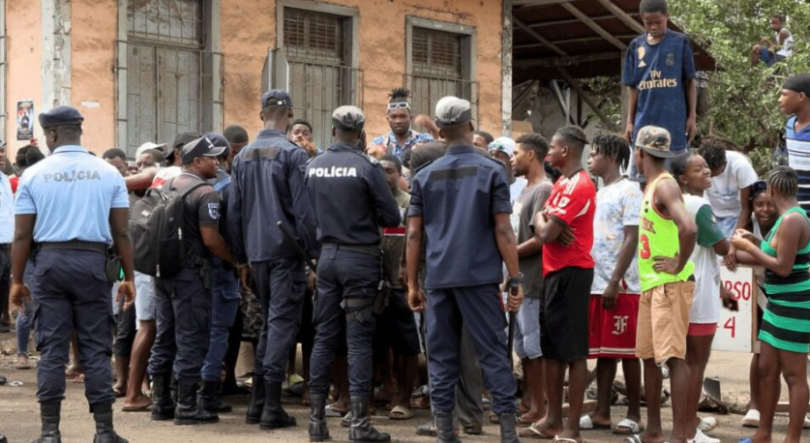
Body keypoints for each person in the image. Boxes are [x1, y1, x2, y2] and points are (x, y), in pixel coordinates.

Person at [10, 105, 135, 443]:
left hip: (49, 264)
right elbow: (122, 232)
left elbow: (22, 235)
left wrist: (18, 280)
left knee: (52, 350)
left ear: (51, 135)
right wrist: (129, 276)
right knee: (96, 349)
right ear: (78, 131)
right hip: (94, 264)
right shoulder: (108, 173)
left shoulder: (34, 175)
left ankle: (50, 433)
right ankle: (104, 432)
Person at [406, 97, 522, 443]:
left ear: (440, 132)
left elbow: (414, 233)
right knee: (492, 353)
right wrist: (515, 277)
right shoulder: (492, 171)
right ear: (471, 128)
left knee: (440, 357)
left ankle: (445, 431)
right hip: (480, 278)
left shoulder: (424, 176)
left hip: (439, 279)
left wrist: (413, 283)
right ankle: (507, 433)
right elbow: (503, 229)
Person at [306, 105, 400, 443]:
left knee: (324, 338)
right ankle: (360, 426)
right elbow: (391, 215)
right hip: (359, 258)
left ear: (332, 131)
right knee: (359, 342)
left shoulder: (313, 166)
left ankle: (316, 423)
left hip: (326, 258)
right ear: (360, 134)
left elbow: (305, 219)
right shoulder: (366, 166)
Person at [228, 90, 319, 430]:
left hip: (255, 252)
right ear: (290, 114)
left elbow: (234, 212)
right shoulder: (293, 155)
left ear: (261, 114)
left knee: (270, 322)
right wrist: (313, 253)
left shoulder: (243, 156)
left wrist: (241, 259)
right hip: (286, 252)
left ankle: (257, 404)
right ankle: (271, 408)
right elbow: (303, 210)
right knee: (282, 324)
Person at [147, 136, 233, 426]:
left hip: (164, 273)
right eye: (213, 158)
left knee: (165, 336)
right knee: (191, 339)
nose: (218, 164)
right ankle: (187, 407)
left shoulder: (167, 184)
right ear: (197, 161)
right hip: (191, 276)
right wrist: (235, 259)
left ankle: (161, 402)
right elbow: (211, 239)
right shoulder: (206, 192)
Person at [731, 167, 810, 443]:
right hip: (777, 304)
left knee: (794, 375)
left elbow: (783, 267)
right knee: (767, 369)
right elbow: (773, 252)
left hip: (793, 305)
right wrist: (753, 241)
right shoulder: (785, 219)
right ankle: (763, 433)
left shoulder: (792, 220)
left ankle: (792, 439)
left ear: (774, 191)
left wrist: (750, 248)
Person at [632, 125, 697, 443]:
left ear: (639, 152)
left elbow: (689, 228)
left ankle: (679, 435)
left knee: (673, 357)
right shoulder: (653, 184)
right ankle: (653, 429)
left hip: (669, 285)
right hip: (651, 284)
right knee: (648, 355)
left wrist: (678, 263)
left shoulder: (665, 186)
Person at [530, 126, 595, 443]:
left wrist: (545, 219)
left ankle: (572, 428)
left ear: (566, 151)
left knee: (573, 351)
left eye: (553, 148)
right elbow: (539, 221)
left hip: (572, 272)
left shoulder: (578, 185)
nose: (549, 153)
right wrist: (545, 216)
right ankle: (552, 420)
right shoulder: (561, 183)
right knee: (552, 349)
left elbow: (544, 233)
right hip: (553, 271)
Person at [580, 134, 644, 436]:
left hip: (623, 285)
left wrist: (615, 281)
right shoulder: (598, 191)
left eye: (595, 153)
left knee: (629, 352)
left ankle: (633, 413)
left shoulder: (630, 190)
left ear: (612, 157)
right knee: (605, 352)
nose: (590, 158)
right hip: (596, 282)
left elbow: (632, 237)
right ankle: (602, 411)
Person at [670, 152, 731, 443]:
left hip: (679, 289)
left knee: (683, 363)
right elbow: (721, 246)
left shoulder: (676, 203)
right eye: (698, 169)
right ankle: (688, 431)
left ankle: (686, 425)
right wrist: (737, 240)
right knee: (696, 364)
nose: (706, 171)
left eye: (706, 167)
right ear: (683, 178)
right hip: (700, 292)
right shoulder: (700, 207)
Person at [622, 0, 697, 183]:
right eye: (649, 23)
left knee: (675, 181)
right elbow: (633, 88)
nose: (654, 26)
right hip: (644, 127)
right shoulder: (635, 46)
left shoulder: (680, 42)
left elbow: (689, 82)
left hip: (674, 126)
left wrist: (692, 117)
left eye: (658, 22)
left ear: (667, 17)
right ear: (642, 20)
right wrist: (630, 122)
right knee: (643, 182)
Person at [507, 133, 552, 427]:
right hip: (517, 277)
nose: (512, 159)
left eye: (517, 153)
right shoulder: (524, 189)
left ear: (532, 155)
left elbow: (540, 239)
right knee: (523, 347)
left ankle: (541, 407)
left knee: (534, 348)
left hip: (532, 280)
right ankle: (532, 403)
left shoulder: (544, 189)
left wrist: (507, 255)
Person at [373, 154, 421, 421]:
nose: (384, 175)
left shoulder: (409, 204)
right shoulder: (367, 203)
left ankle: (404, 398)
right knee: (374, 342)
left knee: (406, 344)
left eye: (390, 170)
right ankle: (380, 391)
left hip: (400, 285)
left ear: (400, 174)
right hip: (372, 284)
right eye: (379, 170)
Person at [197, 133, 240, 415]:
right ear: (227, 157)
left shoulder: (186, 184)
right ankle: (208, 394)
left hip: (192, 273)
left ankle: (182, 391)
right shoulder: (230, 188)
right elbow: (230, 232)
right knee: (218, 333)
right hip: (221, 270)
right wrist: (238, 261)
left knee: (194, 333)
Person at [101, 149, 139, 399]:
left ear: (126, 167)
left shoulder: (138, 198)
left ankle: (134, 382)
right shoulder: (103, 196)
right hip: (113, 270)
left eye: (119, 168)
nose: (117, 172)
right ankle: (121, 379)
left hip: (135, 272)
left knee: (134, 327)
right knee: (119, 328)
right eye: (111, 169)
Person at [371, 87, 433, 161]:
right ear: (388, 119)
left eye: (403, 116)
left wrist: (433, 128)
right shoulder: (378, 143)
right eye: (393, 117)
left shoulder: (425, 140)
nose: (398, 121)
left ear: (411, 118)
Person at [778, 74, 810, 213]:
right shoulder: (790, 125)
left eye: (784, 95)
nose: (780, 100)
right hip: (794, 207)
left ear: (801, 96)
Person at [489, 137, 528, 204]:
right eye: (491, 155)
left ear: (511, 160)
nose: (493, 160)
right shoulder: (484, 186)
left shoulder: (525, 187)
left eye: (500, 156)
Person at [0, 141, 10, 336]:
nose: (2, 155)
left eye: (2, 151)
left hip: (7, 243)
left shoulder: (5, 179)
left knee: (3, 284)